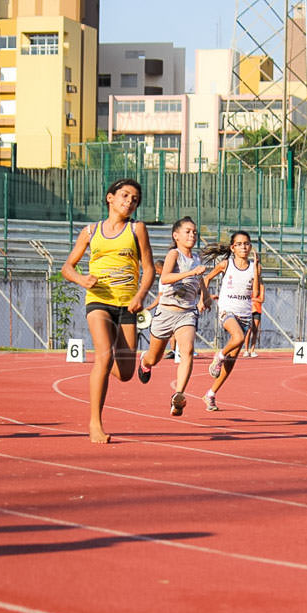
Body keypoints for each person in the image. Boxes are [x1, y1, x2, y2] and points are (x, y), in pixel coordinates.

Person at [61, 178, 155, 443]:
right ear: (110, 198)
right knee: (103, 356)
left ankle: (105, 360)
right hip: (99, 301)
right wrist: (81, 279)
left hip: (128, 304)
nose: (129, 201)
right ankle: (95, 424)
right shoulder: (90, 231)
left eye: (135, 199)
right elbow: (67, 267)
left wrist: (140, 295)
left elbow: (148, 268)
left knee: (125, 373)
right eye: (125, 195)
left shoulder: (137, 229)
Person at [137, 217, 209, 416]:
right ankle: (145, 362)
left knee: (187, 351)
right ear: (176, 235)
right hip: (166, 312)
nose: (192, 235)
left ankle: (178, 395)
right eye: (187, 231)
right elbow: (166, 277)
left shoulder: (196, 258)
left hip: (186, 313)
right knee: (155, 358)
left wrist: (205, 296)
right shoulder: (173, 254)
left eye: (194, 232)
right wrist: (190, 273)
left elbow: (199, 277)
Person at [203, 231, 262, 410]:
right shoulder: (225, 264)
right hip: (227, 310)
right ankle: (218, 356)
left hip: (245, 315)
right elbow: (206, 279)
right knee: (238, 339)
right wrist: (204, 298)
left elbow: (257, 293)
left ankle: (210, 394)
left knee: (232, 361)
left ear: (250, 246)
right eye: (239, 244)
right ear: (232, 248)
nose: (243, 247)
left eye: (246, 243)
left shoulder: (254, 267)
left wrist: (257, 268)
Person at [246, 274, 265, 357]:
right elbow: (246, 297)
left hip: (257, 310)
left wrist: (253, 299)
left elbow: (261, 299)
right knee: (248, 330)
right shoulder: (249, 287)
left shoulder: (261, 287)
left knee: (255, 330)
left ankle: (252, 349)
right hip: (249, 310)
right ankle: (246, 350)